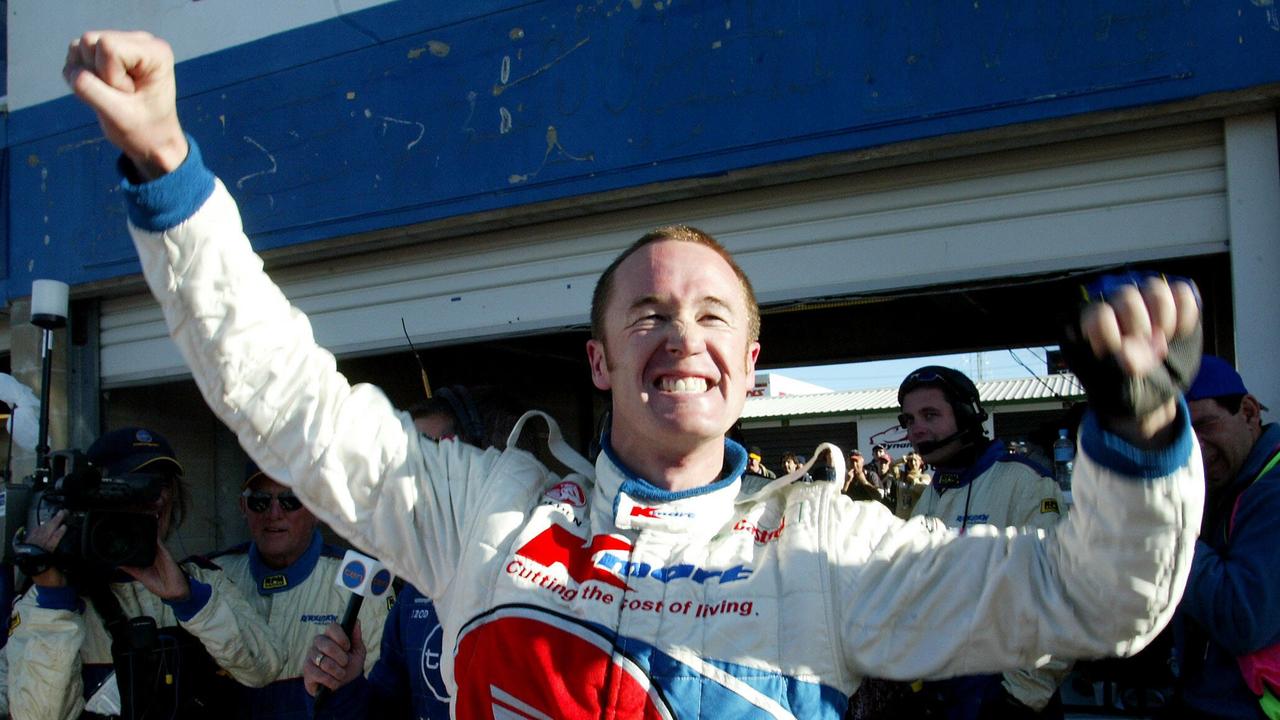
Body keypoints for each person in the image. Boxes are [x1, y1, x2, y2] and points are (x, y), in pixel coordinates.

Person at [63, 30, 1205, 718]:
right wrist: (167, 172)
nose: (680, 332)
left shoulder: (823, 550)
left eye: (711, 315)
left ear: (746, 370)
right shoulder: (480, 511)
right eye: (647, 312)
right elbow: (282, 401)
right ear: (602, 361)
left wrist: (1140, 436)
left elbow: (1090, 598)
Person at [6, 427, 284, 719]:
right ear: (97, 494)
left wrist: (190, 602)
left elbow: (265, 667)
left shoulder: (201, 582)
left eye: (163, 484)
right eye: (138, 483)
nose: (156, 497)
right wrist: (55, 601)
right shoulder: (49, 598)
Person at [304, 386, 523, 719]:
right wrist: (346, 686)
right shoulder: (415, 593)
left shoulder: (530, 575)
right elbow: (386, 709)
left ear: (476, 462)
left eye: (431, 453)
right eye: (405, 458)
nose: (415, 474)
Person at [899, 365, 1070, 718]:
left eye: (930, 414)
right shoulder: (930, 495)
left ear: (967, 416)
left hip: (1009, 697)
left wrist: (1020, 695)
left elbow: (1058, 596)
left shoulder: (1023, 482)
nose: (917, 429)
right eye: (909, 419)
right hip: (944, 690)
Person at [205, 461, 390, 718]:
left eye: (290, 500)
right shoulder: (211, 576)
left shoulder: (360, 583)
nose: (274, 513)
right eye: (260, 501)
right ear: (243, 507)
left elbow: (385, 700)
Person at [1169, 355, 1280, 718]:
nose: (1194, 448)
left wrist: (1165, 530)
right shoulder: (1232, 481)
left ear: (1248, 412)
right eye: (1179, 436)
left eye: (1205, 426)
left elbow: (1244, 618)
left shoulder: (1273, 490)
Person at [893, 451, 930, 519]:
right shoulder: (901, 475)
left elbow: (924, 491)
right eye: (910, 461)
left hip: (915, 520)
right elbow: (892, 466)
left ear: (921, 462)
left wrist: (914, 480)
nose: (912, 463)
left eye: (915, 460)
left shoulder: (925, 477)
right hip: (899, 519)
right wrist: (903, 459)